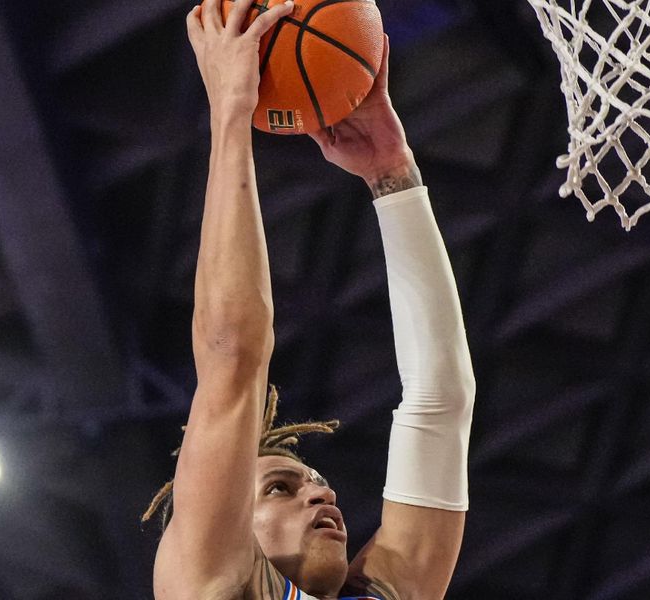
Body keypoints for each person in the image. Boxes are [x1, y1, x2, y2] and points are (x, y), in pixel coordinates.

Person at [143, 0, 476, 598]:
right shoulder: (205, 583)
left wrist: (390, 173)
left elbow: (440, 399)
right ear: (218, 524)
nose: (323, 493)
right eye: (280, 489)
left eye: (301, 482)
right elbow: (232, 356)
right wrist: (230, 115)